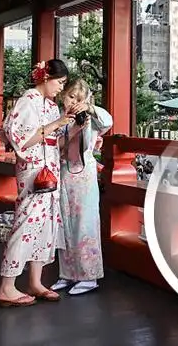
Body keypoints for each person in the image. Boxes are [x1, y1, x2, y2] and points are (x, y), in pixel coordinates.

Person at [0, 59, 87, 308]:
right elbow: (22, 140)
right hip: (34, 170)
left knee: (46, 226)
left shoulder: (50, 106)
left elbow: (56, 142)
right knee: (26, 224)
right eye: (59, 82)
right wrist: (57, 124)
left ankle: (35, 282)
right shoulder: (28, 100)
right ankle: (7, 286)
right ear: (45, 78)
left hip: (51, 168)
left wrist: (76, 127)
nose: (61, 88)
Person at [51, 79, 113, 296]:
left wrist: (89, 108)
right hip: (63, 173)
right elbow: (53, 143)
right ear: (62, 96)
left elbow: (108, 121)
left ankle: (89, 276)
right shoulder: (57, 118)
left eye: (78, 99)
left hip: (84, 176)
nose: (73, 102)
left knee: (84, 225)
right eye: (70, 97)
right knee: (65, 224)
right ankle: (67, 274)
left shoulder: (91, 118)